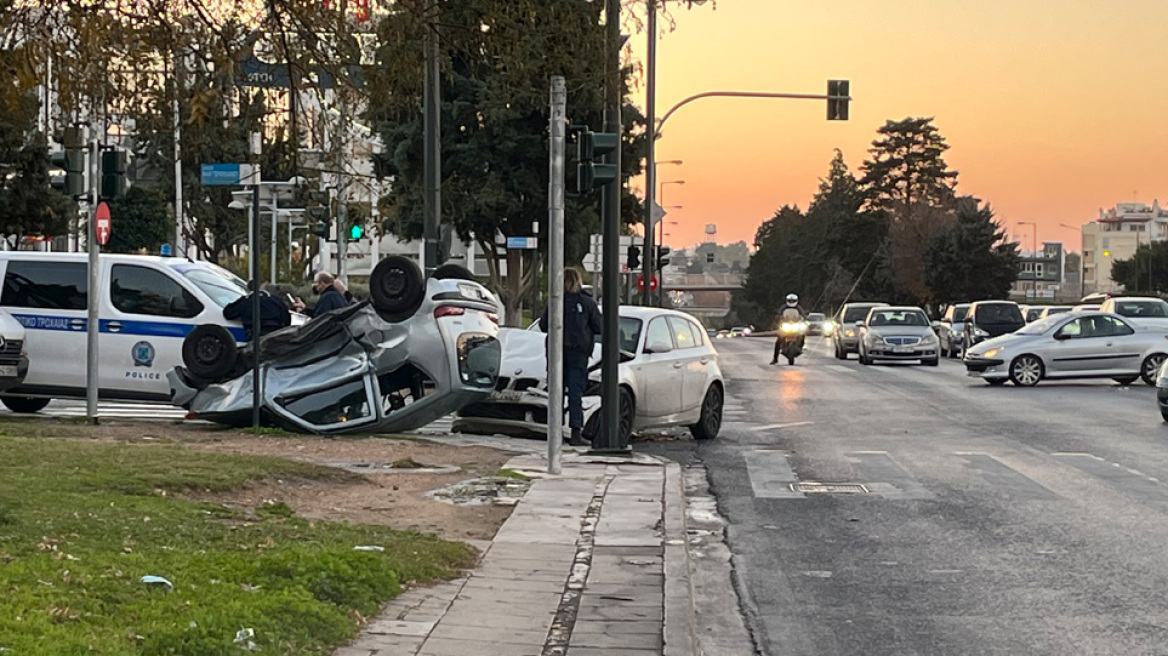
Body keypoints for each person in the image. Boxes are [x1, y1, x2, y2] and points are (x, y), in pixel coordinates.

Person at [540, 267, 602, 447]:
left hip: (556, 351)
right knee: (576, 392)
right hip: (578, 353)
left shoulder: (554, 302)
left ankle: (555, 430)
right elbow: (599, 326)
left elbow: (543, 325)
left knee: (556, 391)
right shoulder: (587, 302)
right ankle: (576, 431)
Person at [223, 282, 292, 341]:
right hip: (276, 334)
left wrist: (241, 299)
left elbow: (228, 313)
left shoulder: (247, 301)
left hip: (256, 336)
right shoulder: (277, 301)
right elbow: (287, 319)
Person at [772, 293, 808, 365]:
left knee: (802, 334)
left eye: (793, 301)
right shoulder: (783, 308)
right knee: (778, 341)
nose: (791, 302)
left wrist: (804, 317)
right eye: (790, 301)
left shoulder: (799, 308)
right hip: (786, 325)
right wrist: (778, 317)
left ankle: (800, 346)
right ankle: (775, 359)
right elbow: (779, 314)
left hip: (796, 326)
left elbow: (803, 315)